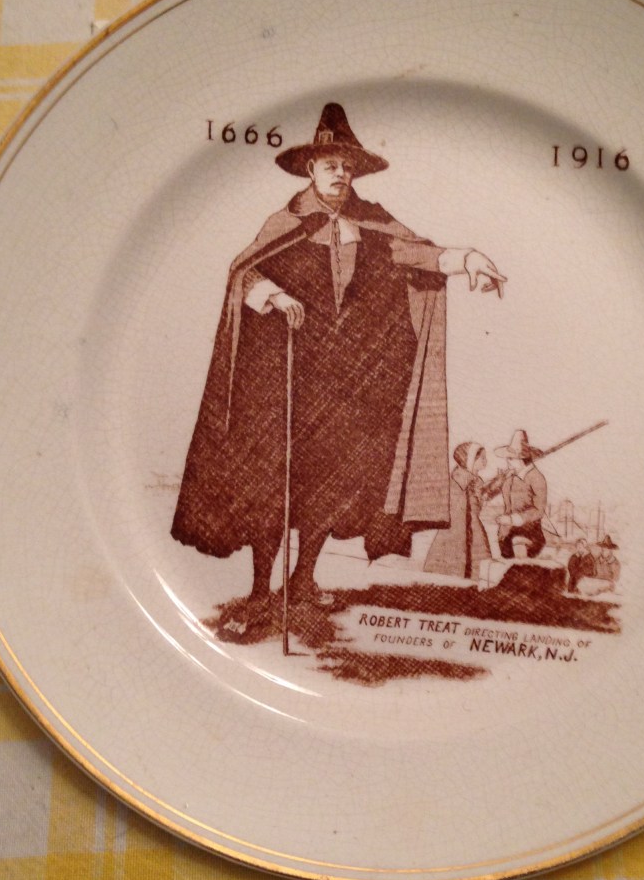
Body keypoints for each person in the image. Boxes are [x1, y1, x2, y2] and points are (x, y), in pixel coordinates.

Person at [171, 103, 506, 614]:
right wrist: (274, 295)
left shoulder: (373, 223)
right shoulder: (286, 220)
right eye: (331, 165)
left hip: (345, 386)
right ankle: (260, 592)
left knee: (332, 484)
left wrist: (469, 259)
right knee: (271, 483)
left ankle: (303, 580)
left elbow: (420, 254)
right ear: (311, 168)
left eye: (348, 166)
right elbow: (242, 272)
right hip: (285, 380)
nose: (341, 174)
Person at [423, 442, 492, 579]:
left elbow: (478, 503)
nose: (485, 461)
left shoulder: (474, 480)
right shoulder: (461, 479)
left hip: (472, 525)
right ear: (470, 460)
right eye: (482, 458)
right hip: (458, 529)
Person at [494, 430, 547, 559]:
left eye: (511, 458)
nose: (507, 461)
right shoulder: (510, 476)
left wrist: (513, 519)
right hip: (507, 534)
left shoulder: (536, 477)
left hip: (528, 535)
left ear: (522, 459)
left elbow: (538, 510)